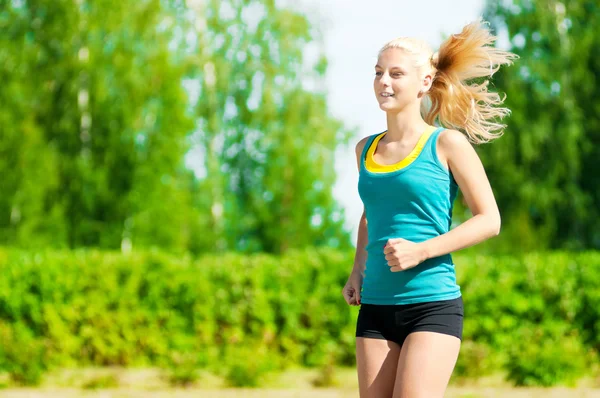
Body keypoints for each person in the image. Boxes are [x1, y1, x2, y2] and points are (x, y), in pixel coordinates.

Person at [341, 18, 518, 398]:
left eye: (396, 73)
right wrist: (356, 272)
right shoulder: (365, 150)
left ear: (423, 83)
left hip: (432, 305)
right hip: (375, 306)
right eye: (378, 73)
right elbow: (370, 214)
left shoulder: (447, 145)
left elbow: (490, 220)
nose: (383, 82)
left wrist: (422, 250)